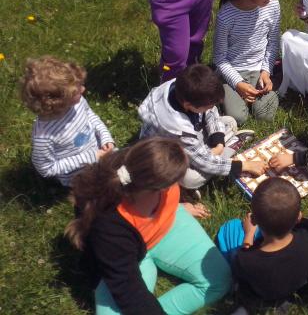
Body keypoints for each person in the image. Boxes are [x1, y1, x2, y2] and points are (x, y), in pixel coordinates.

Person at [65, 137, 232, 314]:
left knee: (218, 279)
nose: (177, 187)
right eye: (174, 184)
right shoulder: (108, 227)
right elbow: (127, 288)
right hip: (129, 256)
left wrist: (176, 207)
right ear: (157, 188)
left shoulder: (143, 166)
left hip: (169, 225)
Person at [138, 64, 267, 190]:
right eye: (209, 105)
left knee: (229, 121)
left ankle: (220, 146)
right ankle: (232, 144)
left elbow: (210, 111)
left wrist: (219, 142)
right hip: (169, 158)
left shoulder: (184, 88)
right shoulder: (176, 127)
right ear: (188, 105)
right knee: (190, 179)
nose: (212, 108)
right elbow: (206, 163)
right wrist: (244, 165)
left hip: (189, 142)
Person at [216, 178, 308, 313]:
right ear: (298, 217)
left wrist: (248, 236)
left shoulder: (247, 260)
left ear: (254, 220)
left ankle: (244, 307)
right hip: (295, 287)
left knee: (230, 228)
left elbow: (240, 267)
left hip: (260, 296)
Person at [20, 56, 115, 186]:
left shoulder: (77, 103)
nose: (83, 89)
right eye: (77, 90)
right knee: (107, 190)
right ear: (60, 102)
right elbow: (46, 169)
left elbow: (91, 117)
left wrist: (105, 138)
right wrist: (91, 157)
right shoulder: (44, 137)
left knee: (129, 166)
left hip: (99, 153)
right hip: (79, 175)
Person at [213, 0, 280, 125]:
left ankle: (263, 92)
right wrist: (237, 84)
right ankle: (224, 90)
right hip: (233, 72)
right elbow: (220, 58)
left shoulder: (272, 5)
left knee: (264, 116)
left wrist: (266, 71)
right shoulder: (226, 16)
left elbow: (272, 41)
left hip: (259, 70)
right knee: (238, 118)